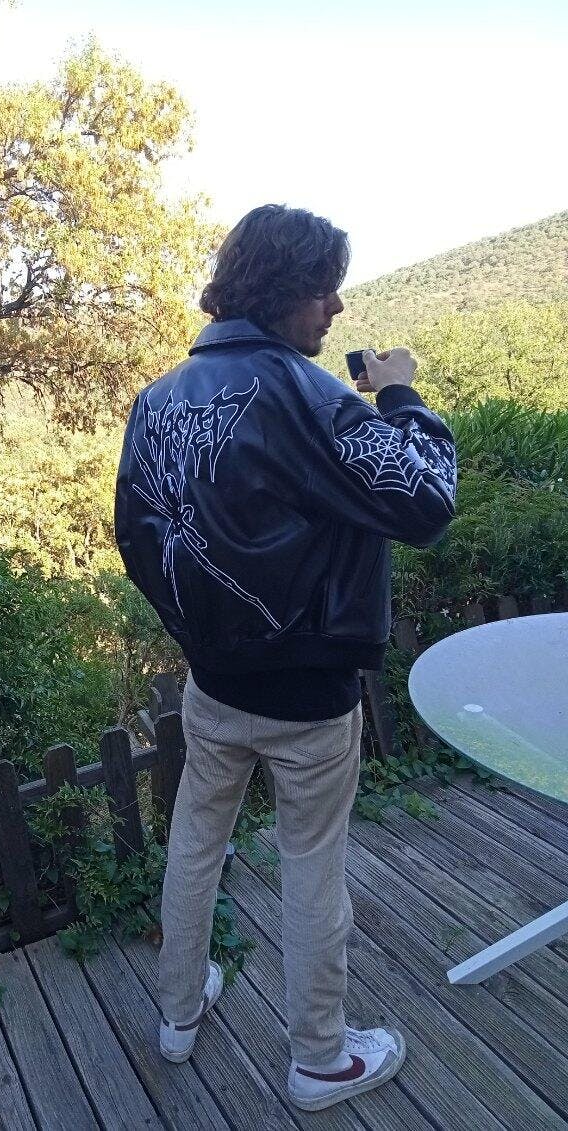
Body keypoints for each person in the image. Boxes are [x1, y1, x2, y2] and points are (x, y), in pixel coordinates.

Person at [114, 204, 457, 1111]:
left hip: (212, 684)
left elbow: (139, 536)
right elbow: (425, 500)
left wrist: (198, 633)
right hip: (309, 693)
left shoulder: (157, 400)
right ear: (282, 292)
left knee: (196, 841)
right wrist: (402, 396)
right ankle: (320, 1057)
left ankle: (178, 1014)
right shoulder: (312, 397)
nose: (337, 307)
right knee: (312, 862)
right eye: (323, 289)